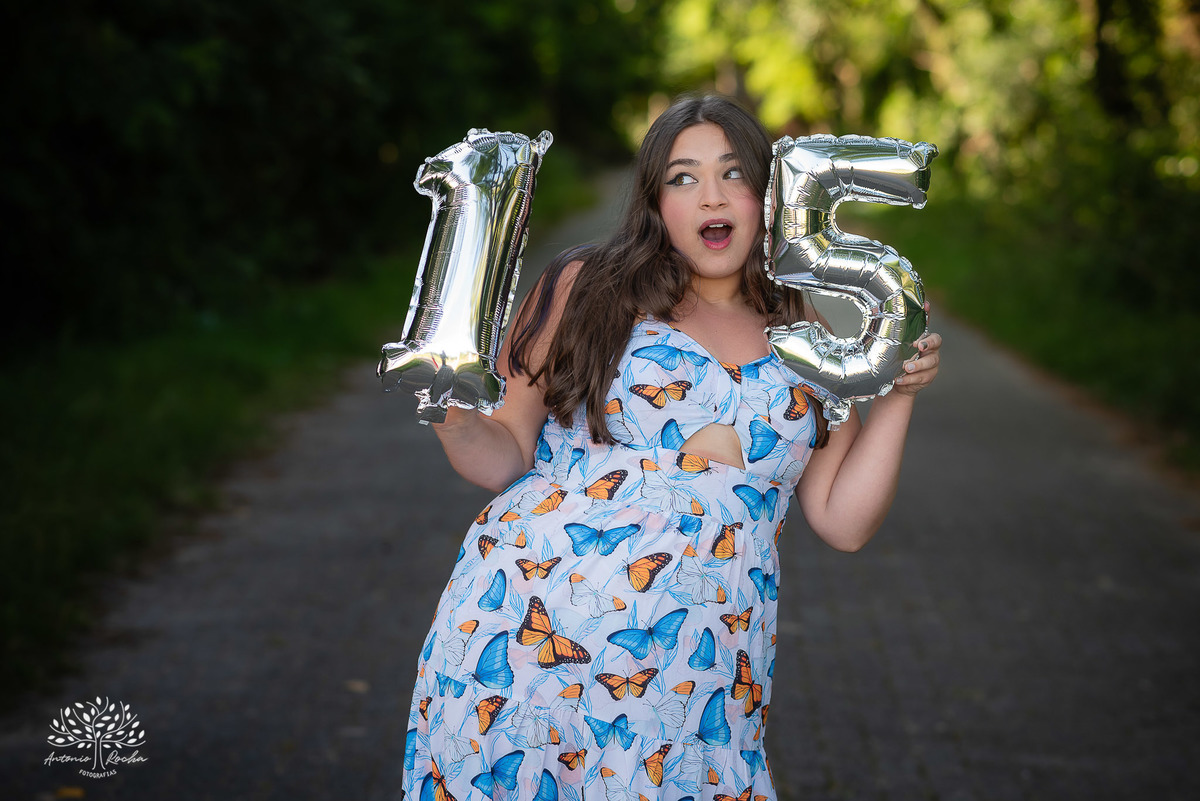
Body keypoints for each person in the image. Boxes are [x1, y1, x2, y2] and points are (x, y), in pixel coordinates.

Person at [401, 94, 942, 801]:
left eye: (732, 174)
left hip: (700, 669)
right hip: (534, 638)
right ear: (657, 200)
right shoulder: (587, 287)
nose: (710, 196)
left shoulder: (805, 330)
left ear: (768, 193)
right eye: (683, 177)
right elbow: (503, 452)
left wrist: (898, 392)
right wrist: (451, 413)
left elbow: (843, 519)